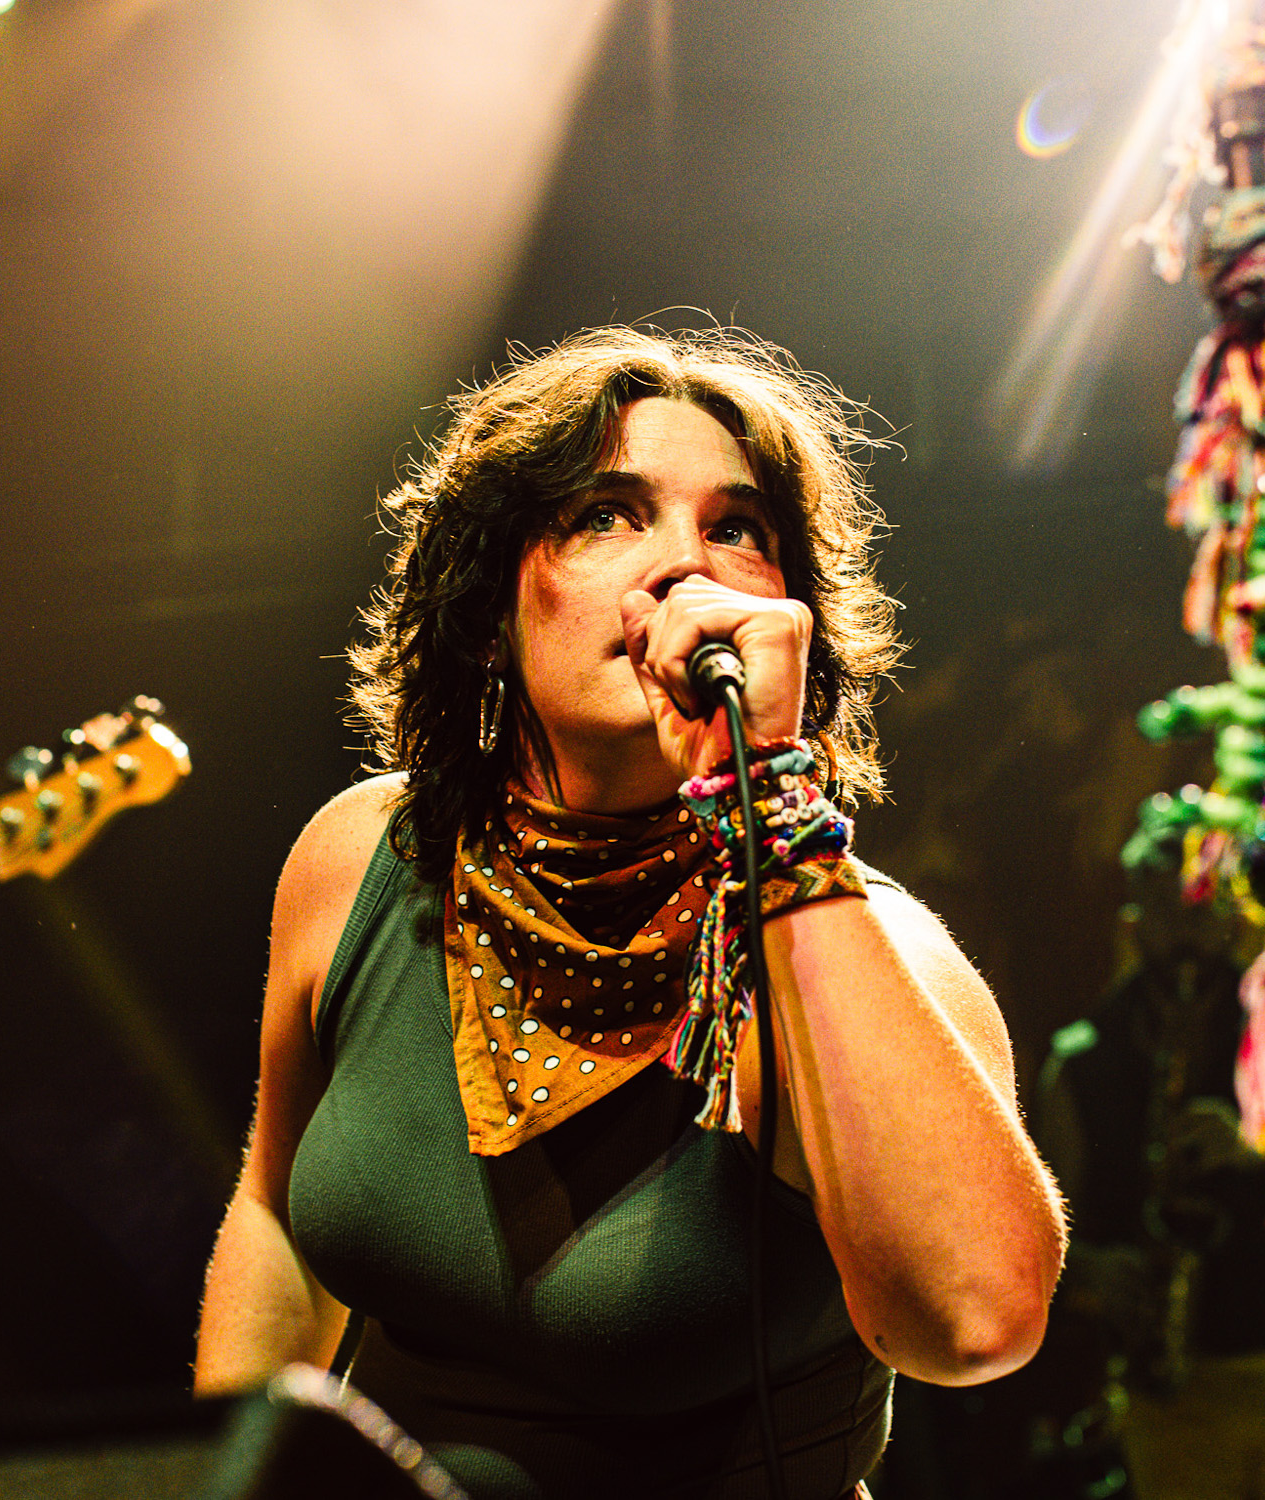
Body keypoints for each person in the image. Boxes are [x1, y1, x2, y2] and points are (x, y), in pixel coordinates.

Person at [194, 326, 1066, 1499]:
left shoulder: (850, 942)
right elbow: (277, 1221)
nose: (681, 567)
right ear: (490, 601)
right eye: (606, 515)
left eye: (736, 530)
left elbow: (973, 1321)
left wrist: (774, 817)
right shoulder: (363, 855)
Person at [1036, 855, 1265, 1500]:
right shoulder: (1082, 1061)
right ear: (1134, 924)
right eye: (1168, 911)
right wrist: (1091, 1268)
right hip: (1168, 1394)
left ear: (1235, 919)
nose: (1188, 933)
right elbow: (1043, 1233)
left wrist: (1258, 1151)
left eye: (1202, 909)